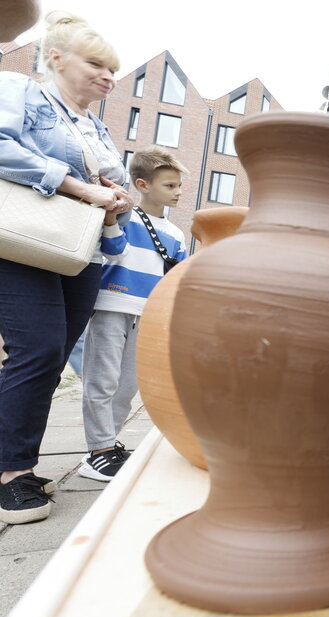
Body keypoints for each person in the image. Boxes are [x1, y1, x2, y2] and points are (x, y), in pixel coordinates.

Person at [0, 11, 132, 524]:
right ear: (55, 57)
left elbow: (105, 184)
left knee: (49, 360)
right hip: (23, 244)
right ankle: (10, 476)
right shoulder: (20, 89)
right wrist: (78, 186)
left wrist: (114, 198)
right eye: (97, 63)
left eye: (113, 69)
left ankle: (18, 463)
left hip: (81, 251)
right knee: (38, 349)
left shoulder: (94, 125)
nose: (108, 76)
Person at [79, 146, 188, 481]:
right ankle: (97, 451)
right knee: (103, 380)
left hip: (147, 315)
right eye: (169, 186)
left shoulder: (176, 234)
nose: (178, 192)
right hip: (113, 304)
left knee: (127, 385)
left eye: (178, 185)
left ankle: (107, 445)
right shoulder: (127, 216)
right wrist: (112, 219)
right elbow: (113, 249)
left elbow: (175, 279)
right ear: (142, 185)